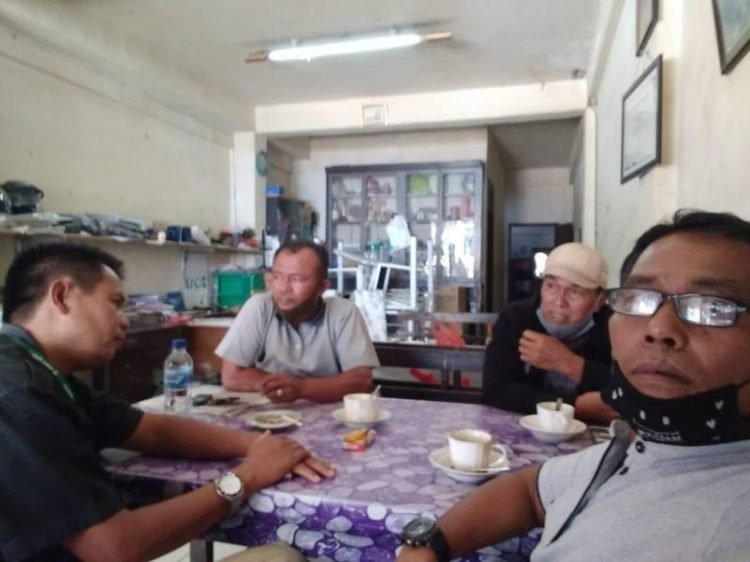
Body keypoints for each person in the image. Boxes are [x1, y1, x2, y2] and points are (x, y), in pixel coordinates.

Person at [397, 210, 750, 562]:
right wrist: (428, 546)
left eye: (711, 308)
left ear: (599, 302)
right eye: (641, 299)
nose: (658, 328)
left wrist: (569, 364)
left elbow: (612, 387)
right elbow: (529, 485)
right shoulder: (634, 448)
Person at [0, 242, 334, 562]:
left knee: (282, 556)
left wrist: (257, 445)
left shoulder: (44, 375)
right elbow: (116, 549)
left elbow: (151, 430)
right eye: (115, 303)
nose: (124, 320)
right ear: (61, 295)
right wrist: (247, 476)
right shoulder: (19, 392)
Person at [217, 240, 379, 403]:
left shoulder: (343, 313)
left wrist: (301, 388)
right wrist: (280, 387)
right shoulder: (259, 307)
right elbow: (231, 376)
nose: (283, 288)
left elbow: (362, 380)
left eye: (296, 279)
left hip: (331, 414)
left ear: (322, 287)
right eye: (277, 277)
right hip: (271, 414)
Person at [482, 242, 615, 423]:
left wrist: (570, 364)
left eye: (575, 291)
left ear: (599, 300)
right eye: (551, 286)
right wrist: (573, 406)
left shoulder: (615, 327)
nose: (559, 302)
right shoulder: (516, 318)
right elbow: (495, 390)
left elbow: (632, 391)